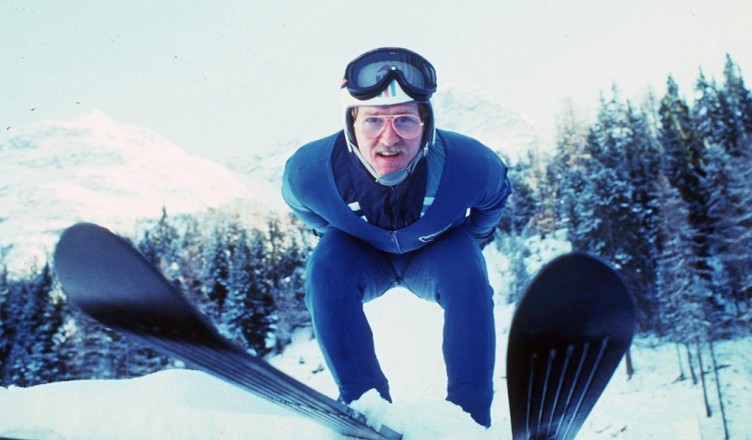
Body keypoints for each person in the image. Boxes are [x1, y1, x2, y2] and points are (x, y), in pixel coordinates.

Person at [281, 47, 511, 427]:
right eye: (373, 121)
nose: (389, 139)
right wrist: (340, 233)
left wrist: (473, 238)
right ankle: (365, 409)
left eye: (405, 121)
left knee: (467, 272)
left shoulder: (471, 164)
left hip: (436, 253)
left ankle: (469, 420)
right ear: (351, 126)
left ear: (427, 126)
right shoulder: (307, 172)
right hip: (362, 255)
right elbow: (305, 210)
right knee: (325, 268)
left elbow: (495, 199)